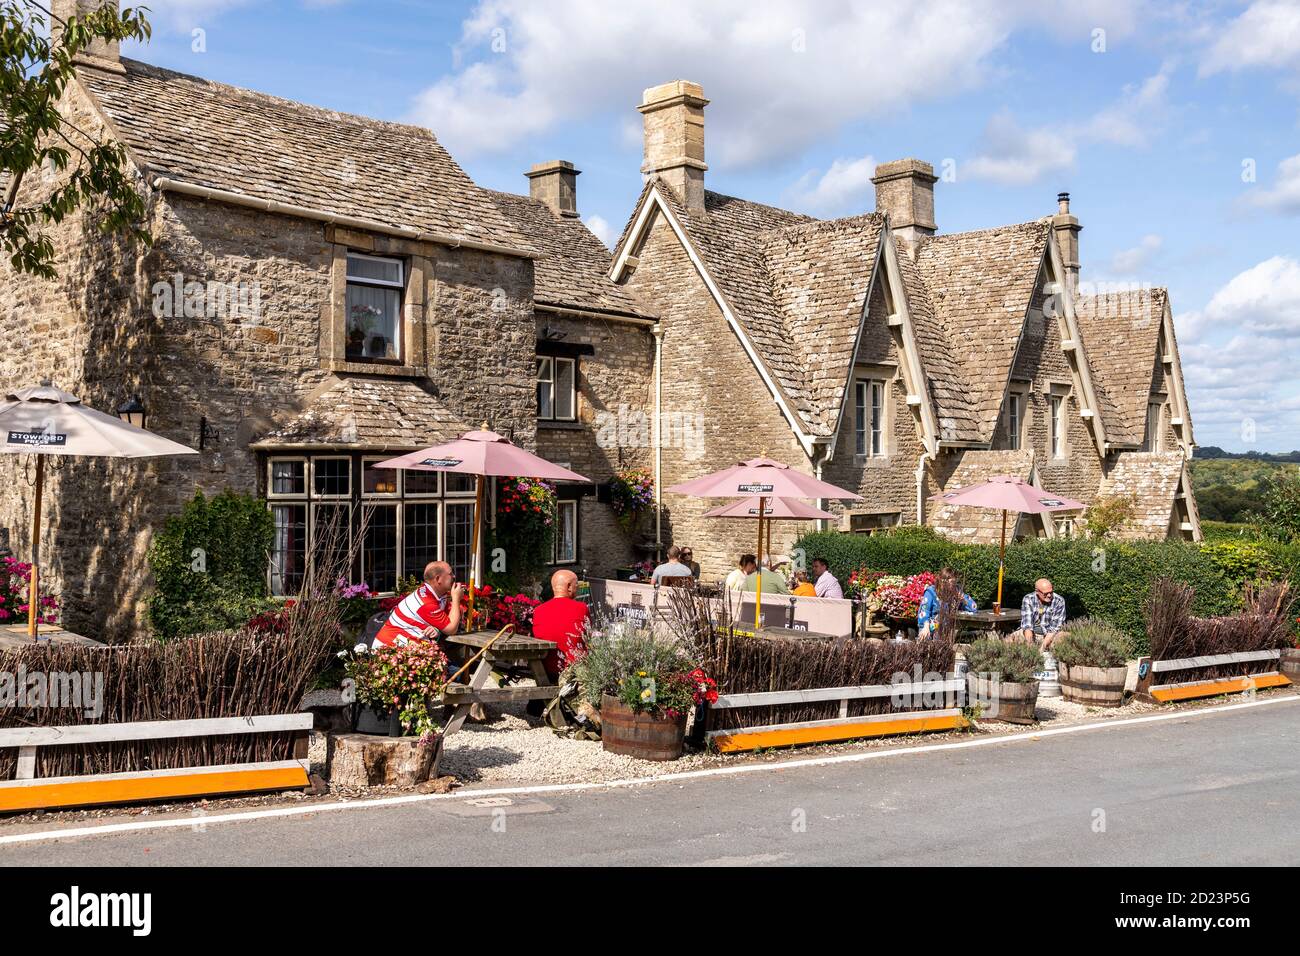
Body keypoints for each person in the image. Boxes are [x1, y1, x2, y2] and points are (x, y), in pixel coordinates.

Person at [373, 561, 463, 649]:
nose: (454, 576)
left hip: (407, 648)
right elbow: (451, 629)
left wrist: (437, 629)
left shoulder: (434, 593)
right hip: (389, 651)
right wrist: (456, 599)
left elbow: (446, 619)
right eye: (450, 574)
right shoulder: (426, 603)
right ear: (438, 579)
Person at [532, 569, 589, 680]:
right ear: (568, 586)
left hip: (545, 669)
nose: (578, 588)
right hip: (574, 671)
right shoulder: (581, 608)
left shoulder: (538, 611)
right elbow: (587, 638)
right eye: (576, 584)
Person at [1019, 578, 1067, 649]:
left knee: (1066, 637)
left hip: (1050, 635)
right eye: (1046, 593)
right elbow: (1027, 626)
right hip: (1032, 634)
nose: (1049, 595)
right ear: (1037, 591)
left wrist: (1041, 649)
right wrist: (1030, 648)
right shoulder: (1028, 599)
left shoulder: (1059, 601)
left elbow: (1054, 628)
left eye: (1051, 592)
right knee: (1009, 640)